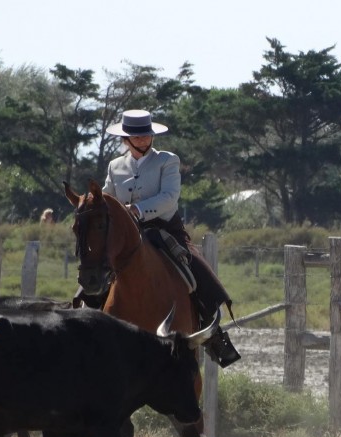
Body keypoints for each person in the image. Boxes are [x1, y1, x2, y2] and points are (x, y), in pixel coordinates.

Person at [88, 109, 240, 367]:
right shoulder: (115, 166)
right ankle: (85, 324)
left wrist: (136, 210)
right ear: (126, 139)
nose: (144, 140)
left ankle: (213, 333)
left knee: (196, 269)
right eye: (137, 136)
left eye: (147, 135)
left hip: (164, 230)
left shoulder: (168, 161)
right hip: (125, 235)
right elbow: (106, 200)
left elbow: (169, 198)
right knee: (92, 273)